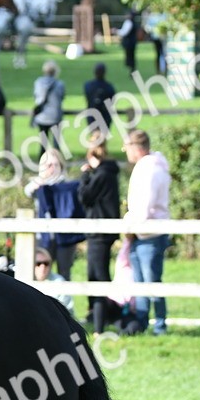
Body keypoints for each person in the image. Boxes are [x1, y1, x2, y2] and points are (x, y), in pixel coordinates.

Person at [122, 129, 171, 335]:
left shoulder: (149, 169)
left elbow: (145, 203)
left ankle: (159, 324)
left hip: (148, 232)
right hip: (141, 231)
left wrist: (132, 226)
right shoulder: (146, 167)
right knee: (140, 280)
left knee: (152, 280)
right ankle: (142, 322)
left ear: (136, 148)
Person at [78, 134, 121, 333]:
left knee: (97, 277)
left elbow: (85, 197)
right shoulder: (108, 173)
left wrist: (85, 176)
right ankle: (101, 320)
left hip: (99, 233)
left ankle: (99, 325)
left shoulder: (101, 175)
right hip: (103, 232)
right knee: (97, 274)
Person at [33, 149, 85, 281]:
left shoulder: (68, 187)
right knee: (40, 270)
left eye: (55, 165)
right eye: (48, 165)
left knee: (64, 271)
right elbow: (29, 191)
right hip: (43, 235)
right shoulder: (37, 185)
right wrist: (42, 184)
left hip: (64, 236)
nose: (52, 168)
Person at [32, 60, 65, 150]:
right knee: (56, 145)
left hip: (42, 116)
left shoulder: (38, 83)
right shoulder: (59, 84)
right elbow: (61, 97)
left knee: (43, 144)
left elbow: (36, 96)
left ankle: (42, 162)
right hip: (55, 116)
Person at [34, 246, 74, 316]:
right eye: (38, 263)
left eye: (46, 263)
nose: (43, 267)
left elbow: (67, 311)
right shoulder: (21, 280)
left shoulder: (59, 282)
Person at [83, 63, 117, 134]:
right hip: (105, 116)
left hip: (92, 115)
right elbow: (112, 100)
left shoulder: (88, 86)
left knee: (94, 137)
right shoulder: (109, 87)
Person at [119, 9, 139, 75]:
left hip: (129, 43)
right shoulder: (131, 22)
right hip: (131, 42)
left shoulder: (129, 23)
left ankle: (132, 71)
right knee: (131, 57)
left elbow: (124, 32)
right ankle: (132, 71)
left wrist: (116, 31)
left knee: (130, 58)